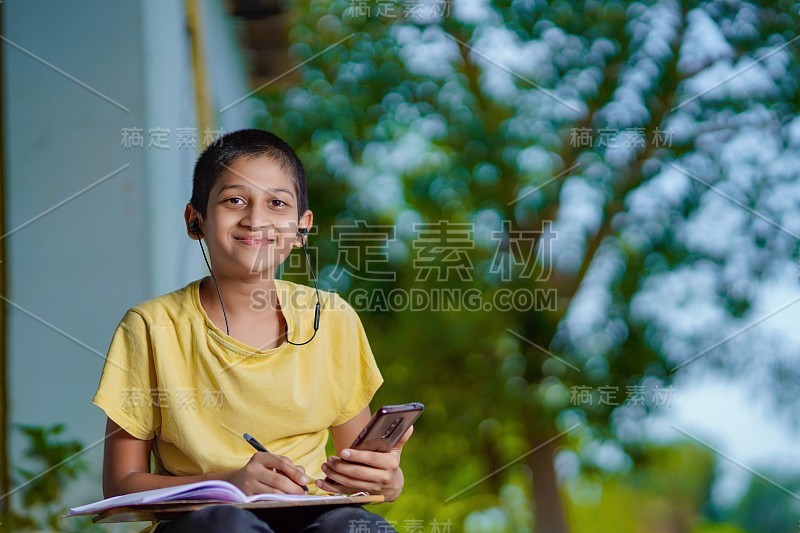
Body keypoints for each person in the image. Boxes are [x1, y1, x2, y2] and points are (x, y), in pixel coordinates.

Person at [91, 129, 412, 533]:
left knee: (354, 525)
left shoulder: (333, 318)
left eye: (277, 203)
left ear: (301, 227)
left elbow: (355, 480)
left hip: (312, 516)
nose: (256, 219)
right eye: (234, 200)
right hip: (204, 524)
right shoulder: (151, 327)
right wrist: (231, 484)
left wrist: (388, 481)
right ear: (196, 221)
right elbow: (120, 485)